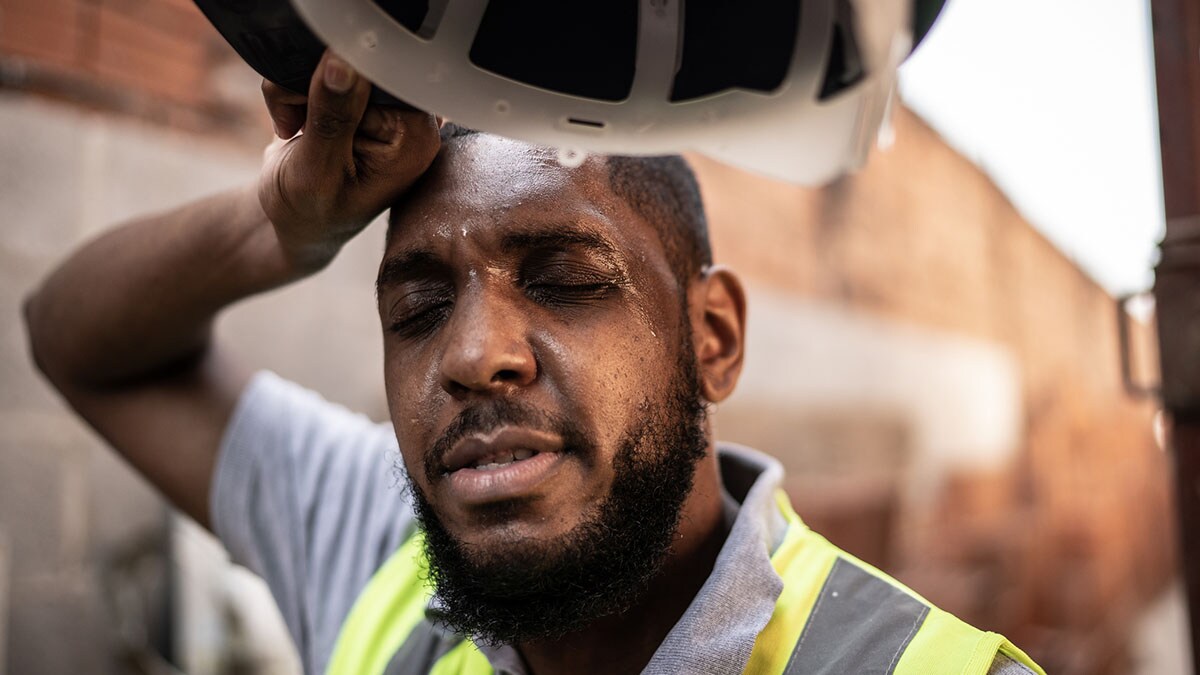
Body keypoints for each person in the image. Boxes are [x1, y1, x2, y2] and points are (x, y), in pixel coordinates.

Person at [24, 52, 1043, 675]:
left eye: (564, 280)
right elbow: (78, 341)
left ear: (713, 339)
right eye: (420, 306)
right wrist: (277, 221)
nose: (472, 356)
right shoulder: (381, 551)